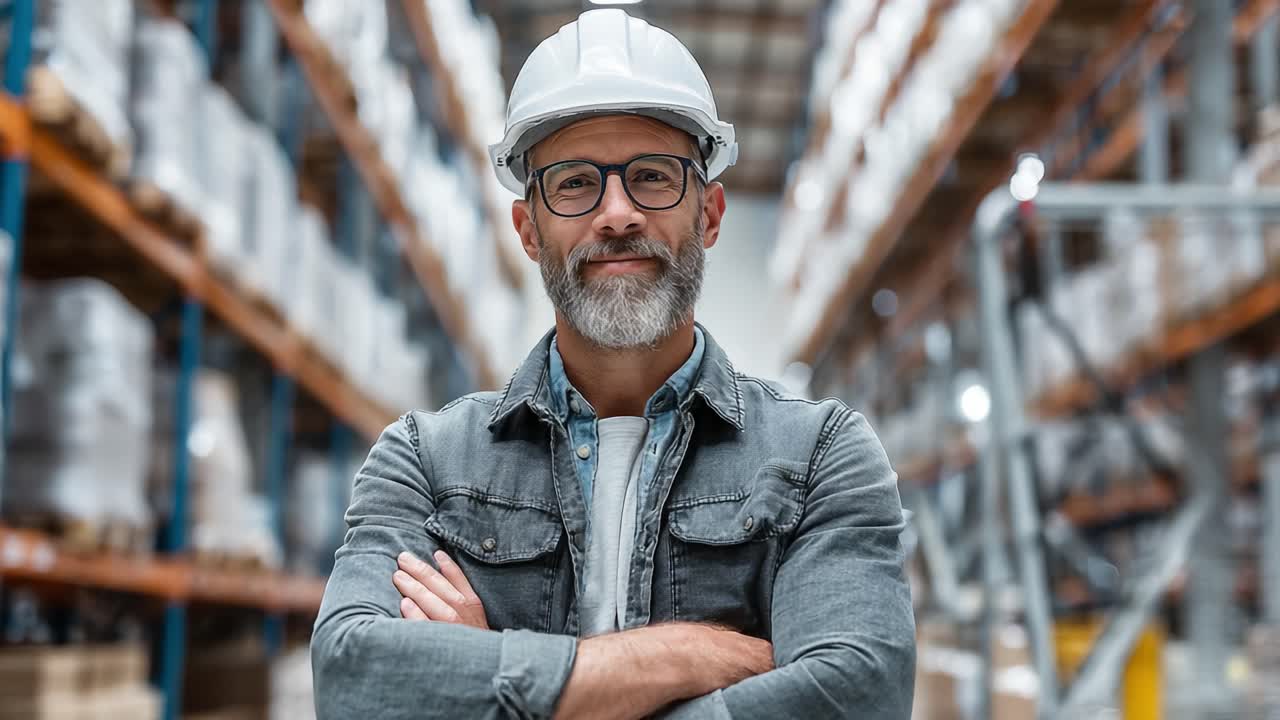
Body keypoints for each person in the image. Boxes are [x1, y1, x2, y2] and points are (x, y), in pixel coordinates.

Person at [311, 9, 915, 719]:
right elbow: (355, 683)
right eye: (574, 183)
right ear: (529, 229)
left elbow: (858, 695)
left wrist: (501, 685)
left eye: (653, 176)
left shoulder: (819, 457)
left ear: (710, 214)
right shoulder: (426, 464)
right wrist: (686, 656)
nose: (618, 213)